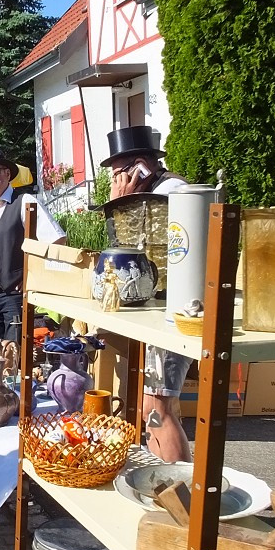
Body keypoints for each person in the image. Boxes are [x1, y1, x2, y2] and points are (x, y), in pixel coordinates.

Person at [100, 126, 191, 462]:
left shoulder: (172, 193)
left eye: (117, 173)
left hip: (173, 310)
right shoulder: (151, 194)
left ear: (140, 165)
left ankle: (179, 494)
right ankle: (169, 484)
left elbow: (130, 253)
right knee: (154, 405)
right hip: (156, 308)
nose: (114, 181)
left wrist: (119, 203)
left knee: (157, 408)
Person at [0, 148, 65, 346]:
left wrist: (32, 275)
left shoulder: (24, 202)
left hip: (13, 297)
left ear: (7, 174)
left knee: (13, 355)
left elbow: (57, 240)